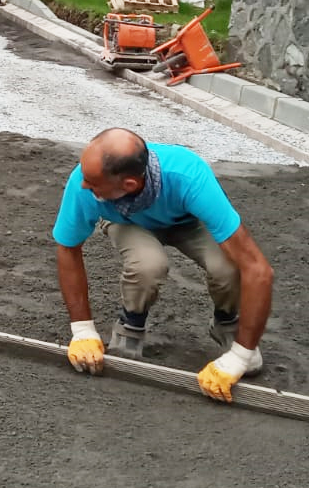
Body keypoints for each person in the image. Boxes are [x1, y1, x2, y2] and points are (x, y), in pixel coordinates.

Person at [51, 127, 274, 403]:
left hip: (185, 221)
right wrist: (82, 330)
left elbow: (258, 270)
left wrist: (241, 355)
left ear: (129, 185)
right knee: (148, 265)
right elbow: (68, 247)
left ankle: (227, 323)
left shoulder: (189, 176)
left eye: (92, 182)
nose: (83, 184)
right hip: (126, 221)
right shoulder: (83, 182)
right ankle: (131, 326)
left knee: (228, 267)